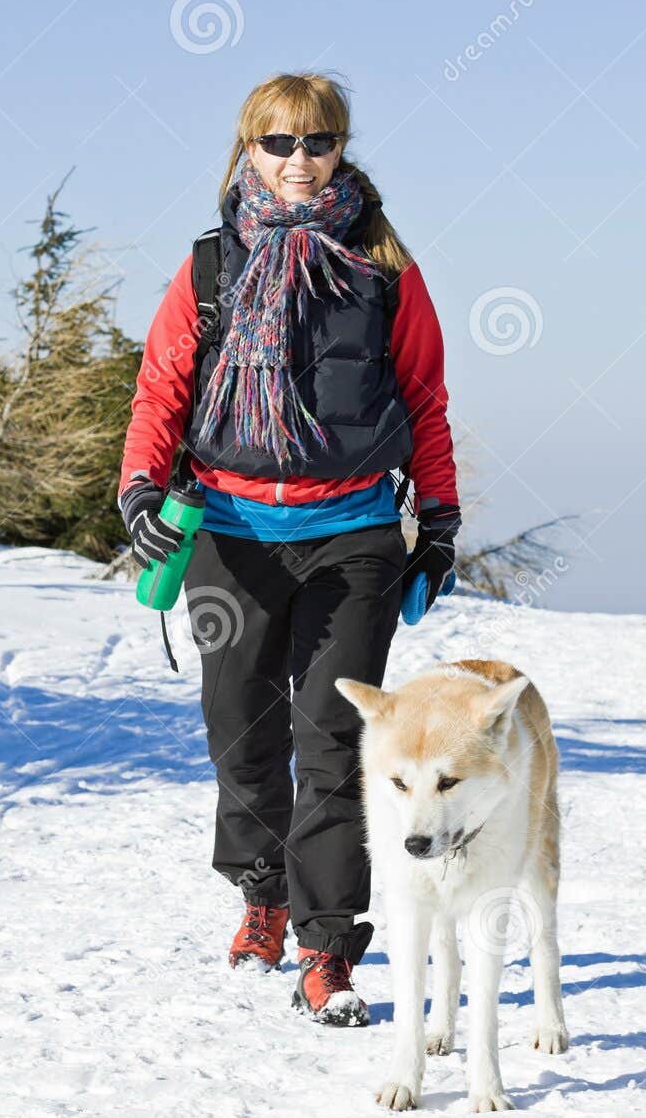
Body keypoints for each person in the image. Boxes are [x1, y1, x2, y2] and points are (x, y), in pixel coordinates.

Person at [118, 72, 460, 1027]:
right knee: (239, 730)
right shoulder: (212, 269)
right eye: (278, 143)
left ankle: (327, 947)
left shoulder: (385, 266)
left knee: (338, 740)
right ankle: (261, 891)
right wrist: (142, 490)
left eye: (317, 141)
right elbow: (160, 391)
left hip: (351, 536)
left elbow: (425, 401)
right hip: (231, 533)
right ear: (247, 150)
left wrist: (436, 522)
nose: (298, 160)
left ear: (341, 146)